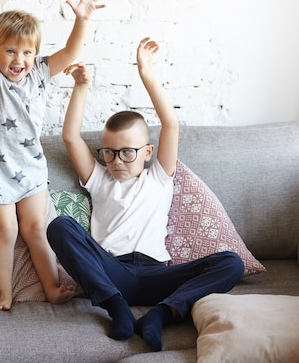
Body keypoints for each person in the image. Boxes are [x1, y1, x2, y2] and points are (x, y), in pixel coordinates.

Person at [47, 38, 245, 351]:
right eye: (109, 153)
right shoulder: (99, 179)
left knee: (232, 263)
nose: (116, 161)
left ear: (147, 152)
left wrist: (146, 74)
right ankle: (116, 308)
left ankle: (160, 315)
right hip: (114, 274)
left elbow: (171, 124)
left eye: (127, 152)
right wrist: (81, 86)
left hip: (157, 275)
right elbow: (71, 137)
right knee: (58, 226)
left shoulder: (159, 177)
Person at [0, 0, 106, 310]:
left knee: (36, 229)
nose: (20, 59)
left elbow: (71, 53)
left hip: (31, 170)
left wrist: (83, 18)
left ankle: (51, 286)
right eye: (11, 51)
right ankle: (4, 293)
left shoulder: (40, 74)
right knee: (6, 230)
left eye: (27, 51)